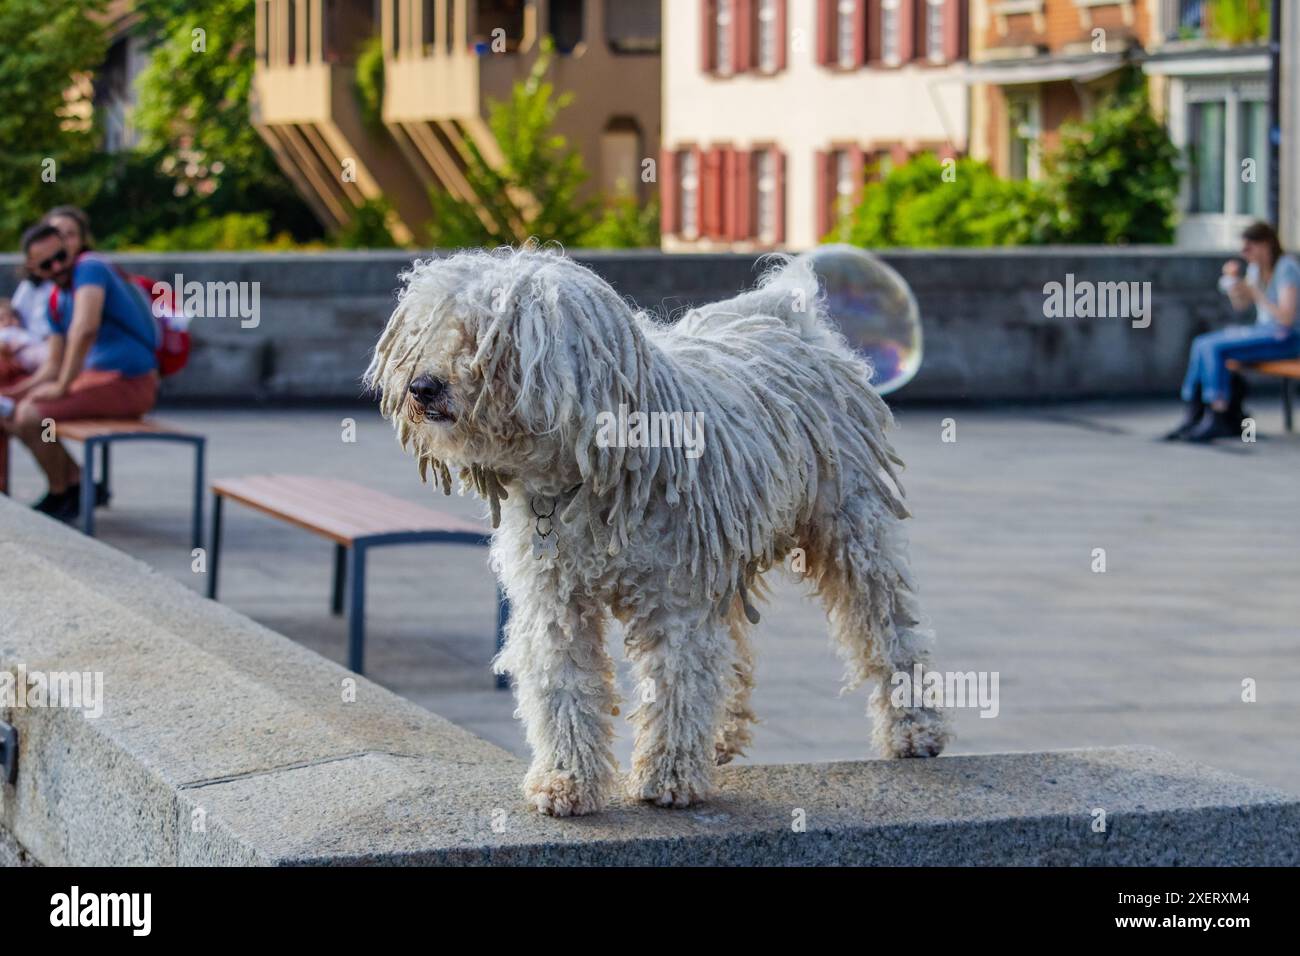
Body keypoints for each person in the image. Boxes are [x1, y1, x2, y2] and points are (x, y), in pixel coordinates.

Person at [0, 222, 159, 521]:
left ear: (70, 247)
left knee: (32, 416)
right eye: (47, 263)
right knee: (14, 410)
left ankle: (64, 491)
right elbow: (52, 365)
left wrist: (62, 387)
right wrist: (15, 393)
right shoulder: (56, 299)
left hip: (129, 382)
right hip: (97, 381)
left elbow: (85, 329)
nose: (58, 266)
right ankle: (76, 484)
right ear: (34, 267)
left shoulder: (90, 268)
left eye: (61, 255)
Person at [1165, 222, 1300, 442]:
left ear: (1265, 245)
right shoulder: (1256, 269)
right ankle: (1195, 410)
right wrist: (1234, 285)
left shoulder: (1286, 268)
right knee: (1202, 343)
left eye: (1249, 248)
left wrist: (1255, 292)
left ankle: (1217, 413)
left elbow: (1286, 317)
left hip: (1286, 338)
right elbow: (1240, 306)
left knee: (1214, 347)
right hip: (1263, 332)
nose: (1245, 254)